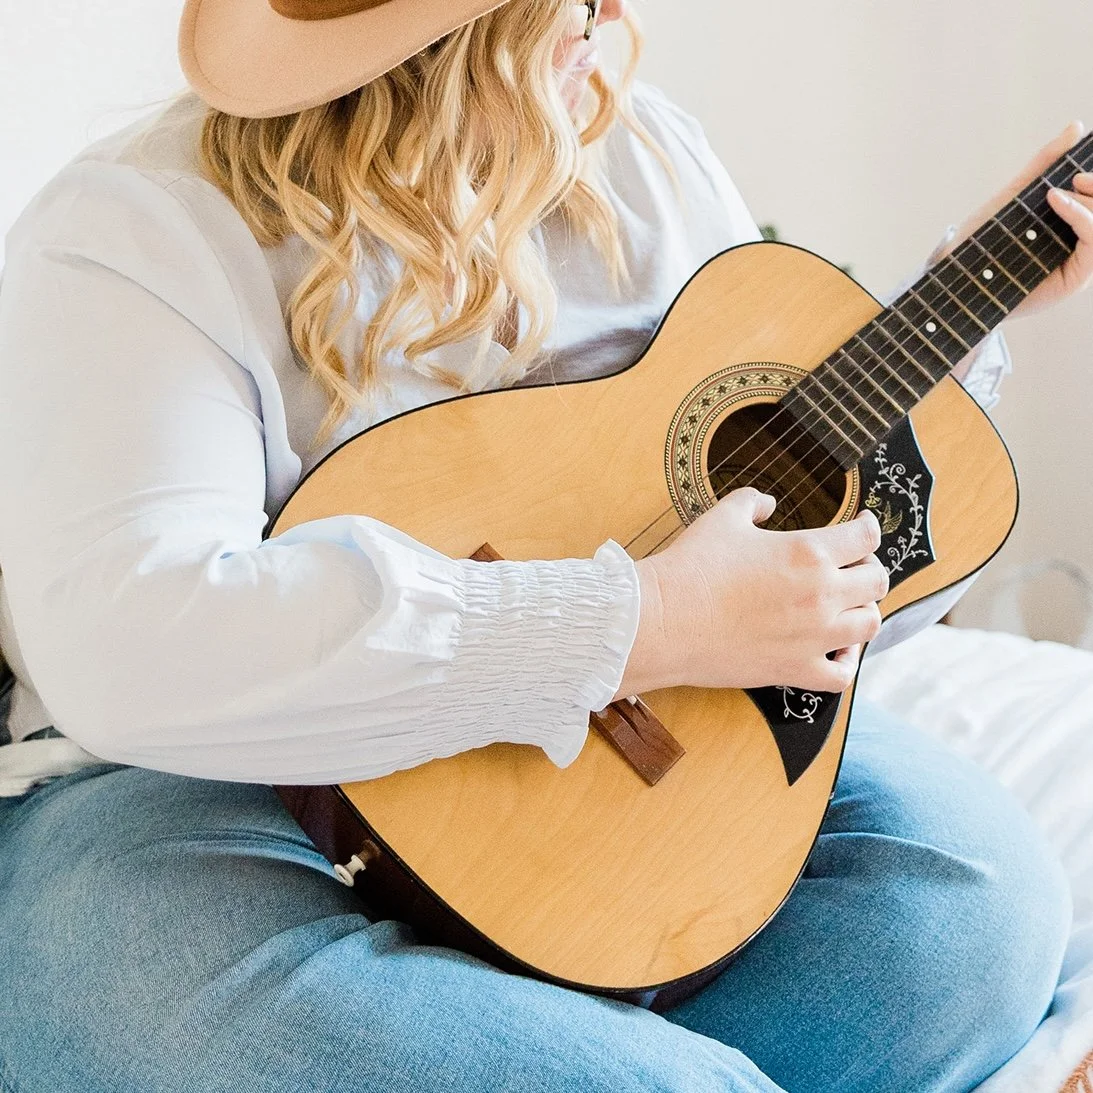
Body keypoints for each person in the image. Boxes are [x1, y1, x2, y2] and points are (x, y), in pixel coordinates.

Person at [0, 0, 1090, 1088]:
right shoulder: (134, 230)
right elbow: (137, 647)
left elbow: (754, 517)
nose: (611, 15)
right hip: (198, 798)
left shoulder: (644, 155)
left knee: (977, 911)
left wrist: (965, 308)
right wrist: (640, 622)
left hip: (618, 762)